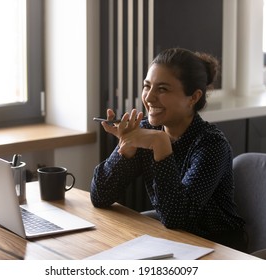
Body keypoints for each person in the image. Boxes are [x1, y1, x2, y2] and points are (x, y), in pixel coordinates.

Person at [90, 48, 247, 251]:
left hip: (220, 247)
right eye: (147, 86)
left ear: (193, 97)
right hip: (172, 241)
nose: (149, 97)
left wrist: (161, 145)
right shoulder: (148, 131)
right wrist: (126, 150)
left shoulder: (211, 145)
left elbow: (177, 217)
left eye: (162, 89)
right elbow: (99, 196)